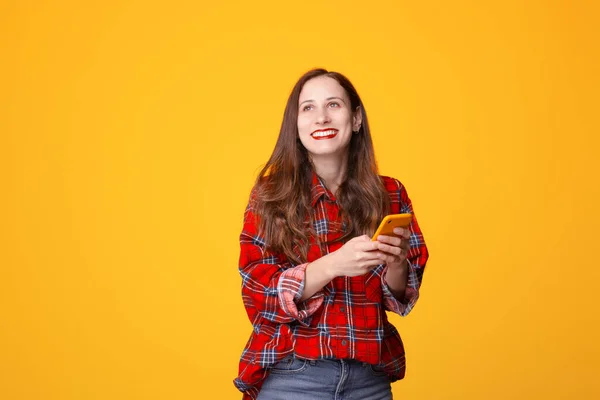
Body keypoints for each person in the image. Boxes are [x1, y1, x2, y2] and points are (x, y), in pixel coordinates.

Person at [233, 68, 429, 400]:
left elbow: (398, 295)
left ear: (355, 120)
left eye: (333, 105)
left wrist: (396, 263)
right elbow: (258, 291)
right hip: (294, 376)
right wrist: (333, 265)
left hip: (369, 381)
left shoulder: (391, 193)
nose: (321, 117)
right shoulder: (270, 194)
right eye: (307, 108)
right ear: (295, 126)